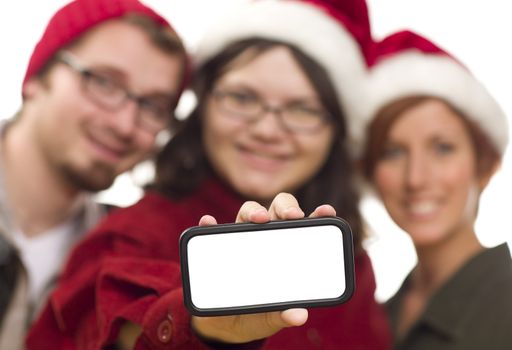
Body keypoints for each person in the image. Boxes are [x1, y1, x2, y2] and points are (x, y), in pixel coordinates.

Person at [27, 0, 392, 349]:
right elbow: (104, 320)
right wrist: (202, 325)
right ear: (203, 108)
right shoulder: (133, 233)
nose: (267, 129)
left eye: (303, 109)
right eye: (243, 98)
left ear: (336, 132)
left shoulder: (347, 257)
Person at [0, 0, 189, 348]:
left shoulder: (121, 255)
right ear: (38, 78)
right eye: (104, 82)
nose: (124, 124)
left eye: (153, 107)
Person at [356, 30, 512, 349]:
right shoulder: (375, 317)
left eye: (442, 148)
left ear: (485, 166)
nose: (416, 178)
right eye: (392, 152)